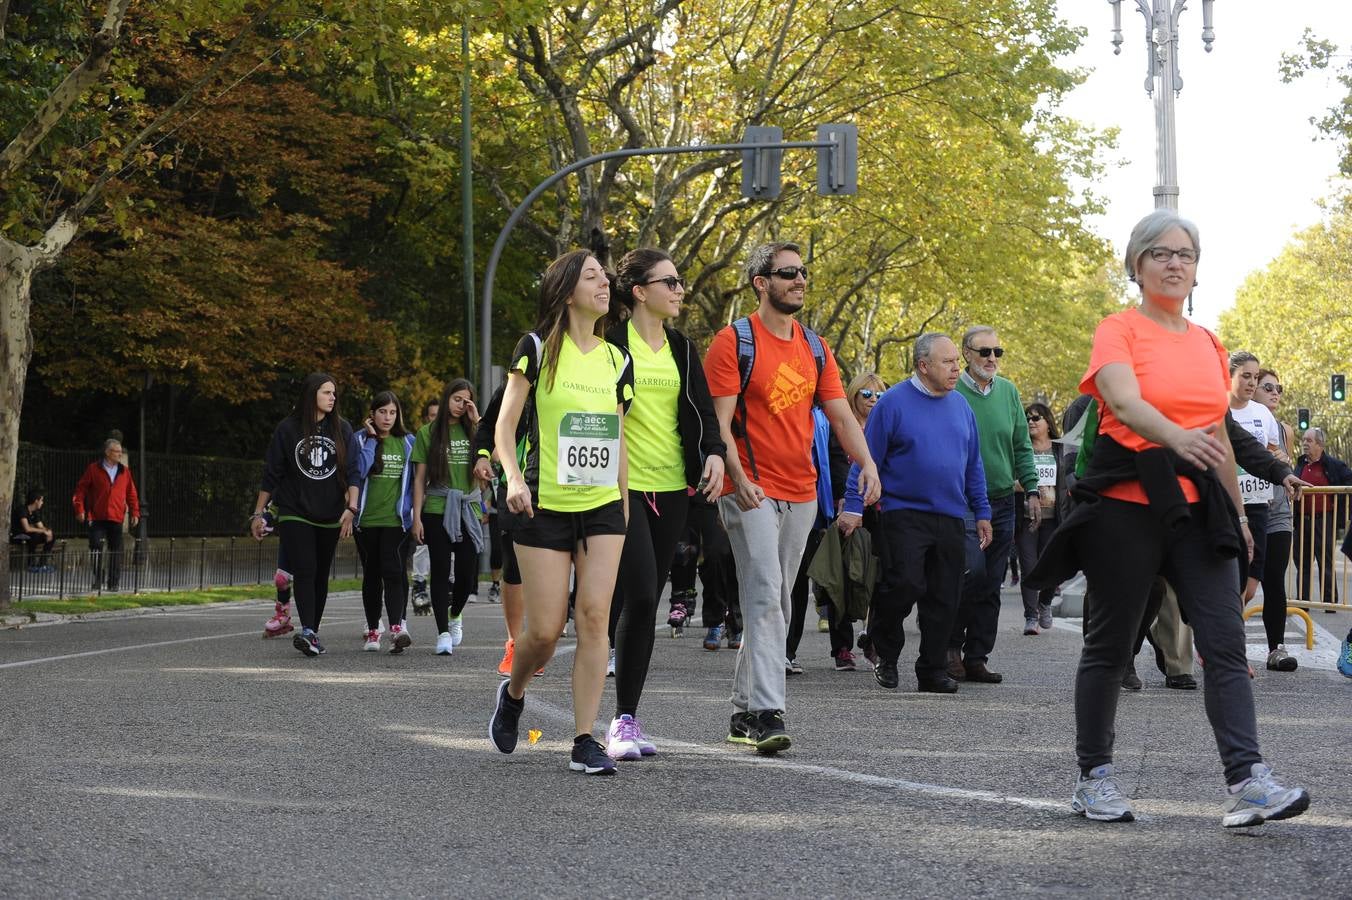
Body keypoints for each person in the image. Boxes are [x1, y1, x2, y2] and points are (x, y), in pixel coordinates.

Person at [1026, 209, 1309, 828]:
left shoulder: (1209, 342)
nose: (1174, 262)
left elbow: (1218, 437)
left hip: (1197, 514)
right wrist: (1179, 440)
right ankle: (1093, 777)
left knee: (1225, 644)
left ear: (1196, 269)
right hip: (1126, 510)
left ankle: (1247, 782)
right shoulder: (1118, 330)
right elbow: (1124, 402)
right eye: (1159, 252)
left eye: (1185, 253)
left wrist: (1236, 513)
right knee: (1110, 644)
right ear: (1136, 265)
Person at [704, 240, 880, 753]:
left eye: (802, 272)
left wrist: (867, 463)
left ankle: (741, 715)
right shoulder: (733, 341)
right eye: (787, 273)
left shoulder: (815, 346)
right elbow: (719, 427)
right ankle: (766, 711)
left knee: (777, 597)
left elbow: (841, 415)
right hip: (749, 489)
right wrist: (739, 477)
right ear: (761, 282)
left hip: (802, 492)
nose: (799, 280)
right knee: (763, 594)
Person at [487, 249, 634, 776]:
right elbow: (505, 427)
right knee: (545, 632)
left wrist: (623, 503)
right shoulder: (534, 350)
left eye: (605, 277)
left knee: (595, 618)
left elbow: (617, 436)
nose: (604, 284)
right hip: (543, 506)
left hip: (602, 509)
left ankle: (584, 739)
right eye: (592, 276)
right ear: (567, 289)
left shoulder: (618, 359)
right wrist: (514, 478)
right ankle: (515, 691)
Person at [601, 247, 725, 759]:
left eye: (680, 281)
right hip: (620, 487)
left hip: (673, 488)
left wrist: (714, 454)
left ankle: (625, 717)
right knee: (643, 591)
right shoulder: (609, 343)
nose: (679, 290)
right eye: (669, 282)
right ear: (639, 292)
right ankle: (620, 722)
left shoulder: (681, 347)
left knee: (643, 597)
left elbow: (701, 410)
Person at [838, 334, 991, 693]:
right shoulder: (892, 404)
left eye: (957, 361)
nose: (957, 368)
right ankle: (885, 650)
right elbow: (866, 459)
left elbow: (973, 465)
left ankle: (932, 670)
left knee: (944, 595)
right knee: (904, 584)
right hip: (902, 512)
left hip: (952, 515)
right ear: (924, 366)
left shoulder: (961, 407)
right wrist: (855, 507)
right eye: (948, 362)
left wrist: (982, 511)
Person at [949, 325, 1039, 684]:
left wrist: (1031, 489)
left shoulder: (1008, 392)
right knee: (968, 572)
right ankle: (949, 649)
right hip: (962, 500)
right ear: (966, 354)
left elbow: (1022, 445)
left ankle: (977, 656)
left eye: (997, 352)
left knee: (991, 581)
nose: (991, 359)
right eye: (984, 352)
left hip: (1003, 499)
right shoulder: (950, 390)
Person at [251, 373, 358, 657]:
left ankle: (313, 631)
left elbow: (353, 473)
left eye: (334, 393)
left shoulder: (343, 430)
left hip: (330, 513)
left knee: (320, 574)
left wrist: (351, 508)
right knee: (306, 570)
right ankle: (308, 630)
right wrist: (258, 513)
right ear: (312, 395)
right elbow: (271, 473)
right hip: (295, 511)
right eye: (326, 392)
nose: (332, 397)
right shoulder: (288, 429)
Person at [411, 379, 484, 656]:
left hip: (468, 509)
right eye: (456, 399)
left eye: (466, 400)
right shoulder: (427, 433)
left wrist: (478, 422)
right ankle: (442, 632)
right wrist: (416, 517)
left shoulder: (475, 432)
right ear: (446, 400)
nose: (460, 405)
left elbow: (497, 457)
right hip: (437, 509)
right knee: (440, 571)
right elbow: (419, 480)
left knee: (467, 573)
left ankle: (455, 614)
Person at [352, 391, 417, 653]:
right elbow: (360, 470)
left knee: (393, 571)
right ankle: (371, 630)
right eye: (382, 412)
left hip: (396, 520)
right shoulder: (359, 439)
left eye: (392, 412)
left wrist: (412, 512)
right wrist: (370, 439)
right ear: (372, 414)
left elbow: (416, 481)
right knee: (372, 574)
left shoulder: (408, 441)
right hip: (366, 520)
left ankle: (397, 628)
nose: (387, 417)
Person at [1253, 369, 1299, 671]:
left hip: (1279, 513)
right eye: (1267, 387)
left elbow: (1287, 465)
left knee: (1274, 580)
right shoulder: (1239, 421)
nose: (1275, 393)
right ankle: (1215, 643)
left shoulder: (1285, 430)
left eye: (1278, 388)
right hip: (1248, 511)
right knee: (1242, 583)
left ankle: (1276, 648)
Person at [1015, 402, 1062, 635]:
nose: (1031, 422)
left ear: (1047, 422)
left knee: (1051, 565)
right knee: (1029, 566)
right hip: (1026, 518)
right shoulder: (1022, 449)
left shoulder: (1060, 449)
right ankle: (1031, 616)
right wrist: (1023, 485)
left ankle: (1045, 602)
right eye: (1028, 418)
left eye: (1036, 418)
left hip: (1054, 518)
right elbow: (1011, 479)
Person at [1292, 427, 1352, 608]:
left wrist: (1340, 502)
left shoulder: (1332, 465)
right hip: (1302, 520)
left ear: (1320, 444)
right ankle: (1302, 602)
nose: (1304, 444)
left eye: (1308, 441)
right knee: (1302, 562)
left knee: (1325, 561)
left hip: (1324, 520)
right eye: (1303, 440)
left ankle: (1329, 602)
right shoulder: (1300, 463)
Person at [72, 438, 140, 592]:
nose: (120, 454)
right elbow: (80, 490)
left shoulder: (125, 471)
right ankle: (98, 578)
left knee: (116, 550)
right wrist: (79, 509)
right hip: (97, 517)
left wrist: (135, 512)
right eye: (117, 451)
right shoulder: (93, 469)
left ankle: (113, 582)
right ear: (108, 452)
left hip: (116, 517)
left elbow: (132, 493)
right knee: (96, 546)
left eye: (121, 452)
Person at [410, 399, 439, 615]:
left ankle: (446, 586)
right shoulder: (423, 438)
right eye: (432, 415)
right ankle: (419, 586)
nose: (436, 419)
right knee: (422, 546)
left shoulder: (454, 438)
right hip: (425, 499)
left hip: (446, 503)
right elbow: (417, 477)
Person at [11, 487, 55, 572]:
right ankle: (30, 564)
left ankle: (42, 564)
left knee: (51, 536)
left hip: (28, 536)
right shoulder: (22, 510)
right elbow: (27, 529)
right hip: (17, 536)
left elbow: (41, 527)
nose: (42, 503)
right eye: (41, 500)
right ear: (36, 501)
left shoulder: (34, 512)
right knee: (34, 535)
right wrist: (43, 531)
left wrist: (48, 532)